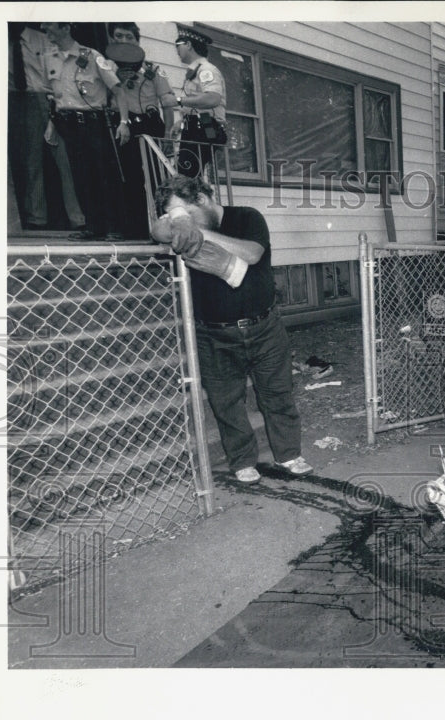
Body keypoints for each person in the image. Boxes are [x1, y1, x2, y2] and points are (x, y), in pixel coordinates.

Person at [152, 175, 312, 484]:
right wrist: (177, 221)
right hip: (213, 334)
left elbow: (252, 254)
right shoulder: (178, 226)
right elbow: (156, 231)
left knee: (278, 395)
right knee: (226, 403)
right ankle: (242, 460)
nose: (180, 223)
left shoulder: (246, 217)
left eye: (185, 213)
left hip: (265, 327)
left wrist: (197, 231)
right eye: (175, 217)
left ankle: (289, 453)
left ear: (203, 199)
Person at [41, 22, 130, 241]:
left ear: (65, 28)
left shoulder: (92, 56)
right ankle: (92, 227)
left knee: (102, 175)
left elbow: (118, 90)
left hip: (93, 123)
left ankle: (113, 227)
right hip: (67, 124)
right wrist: (51, 124)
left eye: (50, 26)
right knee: (80, 176)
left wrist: (124, 122)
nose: (45, 29)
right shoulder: (48, 58)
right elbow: (53, 96)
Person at [8, 22, 85, 232]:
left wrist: (57, 102)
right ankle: (36, 218)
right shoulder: (1, 41)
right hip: (19, 101)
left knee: (64, 159)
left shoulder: (41, 38)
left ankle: (78, 218)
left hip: (50, 97)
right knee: (31, 160)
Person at [106, 23, 177, 239]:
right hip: (121, 125)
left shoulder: (152, 70)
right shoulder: (106, 68)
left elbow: (167, 103)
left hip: (149, 125)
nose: (124, 41)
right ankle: (133, 229)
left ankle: (161, 229)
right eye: (119, 36)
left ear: (138, 41)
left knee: (157, 180)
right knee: (127, 179)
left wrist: (166, 136)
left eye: (129, 37)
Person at [170, 27, 227, 180]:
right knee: (189, 177)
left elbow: (213, 98)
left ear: (188, 44)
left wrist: (178, 100)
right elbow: (196, 101)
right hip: (194, 127)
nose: (176, 49)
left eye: (178, 45)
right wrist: (181, 121)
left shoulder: (206, 70)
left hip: (203, 128)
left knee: (186, 177)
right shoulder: (194, 71)